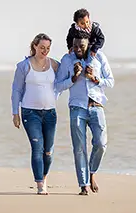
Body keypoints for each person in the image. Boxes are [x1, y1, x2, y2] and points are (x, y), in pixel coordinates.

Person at [55, 33, 114, 195]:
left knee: (101, 143)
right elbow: (58, 86)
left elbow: (110, 81)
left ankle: (92, 172)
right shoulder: (67, 60)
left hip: (97, 106)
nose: (78, 49)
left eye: (81, 46)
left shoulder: (99, 57)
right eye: (75, 46)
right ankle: (83, 185)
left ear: (88, 44)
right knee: (79, 148)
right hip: (77, 107)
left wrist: (95, 78)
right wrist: (73, 77)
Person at [11, 33, 59, 195]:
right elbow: (16, 90)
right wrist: (15, 113)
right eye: (41, 48)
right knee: (37, 148)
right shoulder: (24, 66)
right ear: (34, 47)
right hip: (30, 113)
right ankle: (40, 185)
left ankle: (44, 177)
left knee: (48, 150)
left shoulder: (54, 65)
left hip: (50, 113)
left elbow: (65, 80)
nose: (45, 51)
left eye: (47, 48)